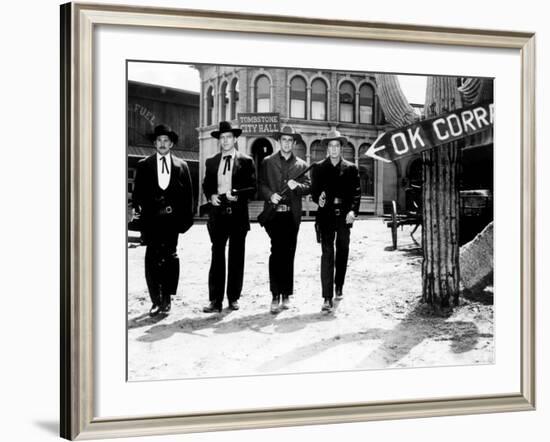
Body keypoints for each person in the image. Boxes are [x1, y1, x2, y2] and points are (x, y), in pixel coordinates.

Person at [132, 124, 194, 317]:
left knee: (170, 258)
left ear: (172, 143)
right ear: (154, 143)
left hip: (172, 222)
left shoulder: (181, 166)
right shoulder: (144, 165)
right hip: (151, 221)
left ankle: (166, 297)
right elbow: (137, 195)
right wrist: (137, 210)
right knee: (152, 258)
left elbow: (188, 196)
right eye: (159, 140)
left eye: (166, 140)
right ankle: (155, 300)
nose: (162, 143)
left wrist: (185, 222)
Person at [202, 121, 256, 313]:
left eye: (228, 137)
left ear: (235, 139)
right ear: (219, 140)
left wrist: (238, 195)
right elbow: (207, 185)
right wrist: (212, 196)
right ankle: (215, 300)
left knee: (236, 256)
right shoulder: (211, 161)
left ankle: (233, 298)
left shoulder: (246, 161)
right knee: (217, 256)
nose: (225, 141)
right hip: (218, 215)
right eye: (222, 138)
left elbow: (253, 189)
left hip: (238, 215)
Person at [259, 126, 311, 313]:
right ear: (279, 141)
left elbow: (308, 187)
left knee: (289, 254)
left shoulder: (302, 165)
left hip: (291, 215)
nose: (287, 143)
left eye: (290, 140)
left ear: (294, 143)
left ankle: (286, 294)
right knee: (276, 253)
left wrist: (297, 186)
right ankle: (275, 295)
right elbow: (261, 184)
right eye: (284, 140)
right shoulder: (267, 162)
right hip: (274, 215)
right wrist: (270, 195)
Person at [311, 129, 361, 312]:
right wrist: (319, 198)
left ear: (341, 148)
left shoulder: (351, 168)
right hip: (326, 215)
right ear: (327, 148)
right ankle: (326, 297)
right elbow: (314, 192)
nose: (333, 149)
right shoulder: (319, 168)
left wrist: (353, 212)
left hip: (344, 216)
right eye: (330, 145)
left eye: (336, 145)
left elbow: (356, 193)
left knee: (342, 250)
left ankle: (339, 284)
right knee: (327, 254)